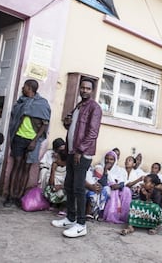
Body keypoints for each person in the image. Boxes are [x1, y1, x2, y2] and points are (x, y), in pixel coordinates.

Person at [51, 77, 102, 238]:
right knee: (69, 185)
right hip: (73, 152)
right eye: (83, 88)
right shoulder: (79, 106)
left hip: (83, 154)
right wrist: (67, 123)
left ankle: (81, 224)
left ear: (92, 91)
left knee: (79, 188)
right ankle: (71, 218)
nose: (84, 90)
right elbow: (73, 127)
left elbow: (93, 133)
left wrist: (80, 150)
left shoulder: (94, 108)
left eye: (88, 88)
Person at [4, 79, 51, 207]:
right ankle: (10, 196)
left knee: (26, 168)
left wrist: (34, 141)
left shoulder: (42, 104)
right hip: (19, 137)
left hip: (32, 141)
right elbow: (15, 117)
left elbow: (44, 125)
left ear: (29, 88)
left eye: (24, 87)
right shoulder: (21, 101)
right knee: (16, 166)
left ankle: (19, 196)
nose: (22, 89)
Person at [103, 155, 133, 223]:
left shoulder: (119, 170)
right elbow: (102, 182)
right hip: (107, 187)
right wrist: (105, 170)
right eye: (107, 159)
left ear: (115, 161)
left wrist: (118, 186)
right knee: (112, 191)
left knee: (127, 190)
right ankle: (111, 214)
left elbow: (123, 182)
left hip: (118, 187)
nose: (109, 161)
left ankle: (123, 216)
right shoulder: (100, 167)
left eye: (111, 159)